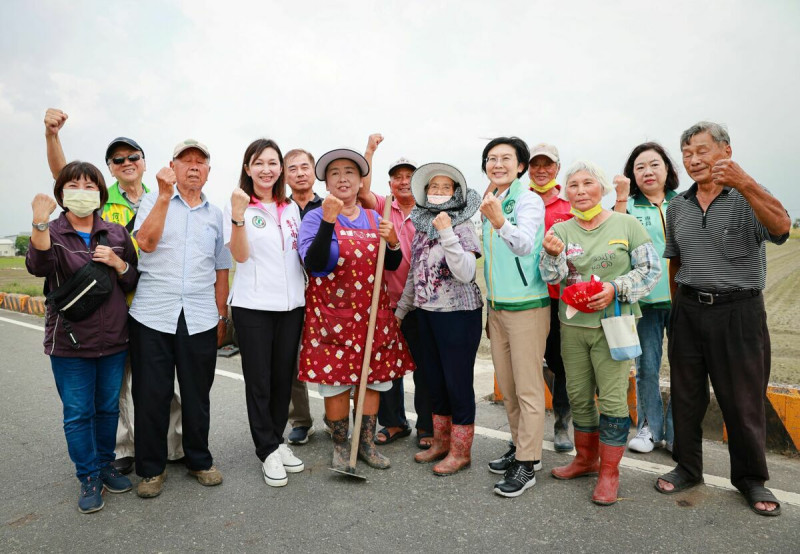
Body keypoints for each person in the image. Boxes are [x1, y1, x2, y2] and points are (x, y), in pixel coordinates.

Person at [656, 122, 790, 517]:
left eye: (702, 150)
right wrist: (677, 307)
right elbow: (675, 261)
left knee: (743, 401)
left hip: (739, 312)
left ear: (725, 151)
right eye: (687, 153)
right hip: (690, 309)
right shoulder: (677, 205)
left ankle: (750, 479)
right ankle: (688, 467)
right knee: (686, 395)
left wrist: (744, 181)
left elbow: (781, 226)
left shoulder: (749, 194)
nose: (694, 160)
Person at [43, 108, 184, 475]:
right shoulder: (102, 204)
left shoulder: (164, 196)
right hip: (116, 308)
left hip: (156, 305)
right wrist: (52, 136)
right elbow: (64, 177)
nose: (126, 163)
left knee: (162, 384)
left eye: (132, 157)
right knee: (115, 389)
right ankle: (121, 450)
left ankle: (172, 445)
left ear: (143, 161)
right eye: (117, 159)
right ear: (110, 167)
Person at [539, 160, 661, 506]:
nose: (580, 191)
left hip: (614, 325)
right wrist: (550, 256)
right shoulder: (561, 230)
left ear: (603, 188)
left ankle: (610, 471)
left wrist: (615, 288)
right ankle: (585, 459)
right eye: (573, 185)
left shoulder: (627, 224)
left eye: (587, 183)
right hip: (573, 326)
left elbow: (649, 270)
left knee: (611, 399)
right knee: (577, 396)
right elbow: (552, 277)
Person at [26, 161, 139, 513]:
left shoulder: (116, 233)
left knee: (107, 409)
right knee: (78, 413)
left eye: (90, 186)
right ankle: (88, 475)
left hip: (115, 340)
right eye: (74, 185)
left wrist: (118, 264)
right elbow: (39, 266)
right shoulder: (55, 232)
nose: (83, 192)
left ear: (101, 194)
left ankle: (105, 465)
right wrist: (39, 222)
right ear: (62, 193)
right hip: (70, 342)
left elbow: (133, 279)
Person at [298, 148, 415, 471]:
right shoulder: (313, 216)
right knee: (336, 383)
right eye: (334, 173)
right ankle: (340, 446)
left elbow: (389, 265)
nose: (343, 178)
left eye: (350, 171)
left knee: (372, 381)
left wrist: (391, 243)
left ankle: (364, 445)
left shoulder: (374, 217)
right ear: (326, 181)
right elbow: (315, 262)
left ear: (360, 179)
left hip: (371, 316)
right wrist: (328, 222)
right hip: (331, 317)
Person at [129, 139, 232, 499]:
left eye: (200, 162)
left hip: (201, 317)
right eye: (185, 161)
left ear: (208, 171)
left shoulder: (214, 215)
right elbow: (146, 242)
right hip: (153, 314)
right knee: (151, 394)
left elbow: (222, 266)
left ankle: (199, 460)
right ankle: (151, 469)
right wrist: (161, 195)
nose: (193, 167)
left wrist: (221, 313)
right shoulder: (151, 200)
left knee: (196, 394)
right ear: (171, 165)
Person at [225, 139, 306, 487]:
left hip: (291, 307)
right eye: (259, 163)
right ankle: (266, 449)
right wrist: (238, 217)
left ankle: (277, 439)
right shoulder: (242, 206)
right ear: (247, 168)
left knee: (282, 378)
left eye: (273, 163)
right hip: (253, 306)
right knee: (259, 381)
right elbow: (240, 257)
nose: (267, 169)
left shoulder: (291, 208)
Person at [395, 163, 483, 475]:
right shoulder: (421, 227)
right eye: (434, 187)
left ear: (456, 193)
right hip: (426, 315)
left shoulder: (463, 227)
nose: (439, 192)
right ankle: (441, 442)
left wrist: (447, 232)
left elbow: (466, 273)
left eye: (446, 187)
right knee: (435, 380)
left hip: (459, 315)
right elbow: (414, 276)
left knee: (457, 383)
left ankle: (461, 451)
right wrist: (401, 311)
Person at [479, 136, 550, 498]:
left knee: (527, 388)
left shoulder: (527, 199)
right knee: (508, 388)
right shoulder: (490, 198)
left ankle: (527, 463)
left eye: (506, 158)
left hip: (527, 307)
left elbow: (523, 243)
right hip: (499, 308)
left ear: (520, 166)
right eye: (492, 158)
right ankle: (523, 448)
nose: (498, 164)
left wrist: (499, 221)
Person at [359, 134, 432, 449]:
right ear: (389, 184)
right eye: (397, 177)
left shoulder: (428, 211)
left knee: (425, 366)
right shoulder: (382, 206)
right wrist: (370, 152)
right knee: (387, 364)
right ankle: (394, 423)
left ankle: (427, 426)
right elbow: (362, 191)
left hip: (422, 303)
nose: (403, 182)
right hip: (387, 302)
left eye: (409, 177)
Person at [613, 142, 680, 454]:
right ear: (631, 175)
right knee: (647, 368)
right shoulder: (629, 207)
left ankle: (678, 433)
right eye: (640, 167)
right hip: (645, 303)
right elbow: (613, 237)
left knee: (685, 369)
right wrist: (621, 198)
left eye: (654, 164)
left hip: (684, 301)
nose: (648, 172)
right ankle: (649, 428)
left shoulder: (684, 204)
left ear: (667, 169)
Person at [527, 142, 575, 453]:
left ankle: (562, 422)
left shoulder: (569, 205)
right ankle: (525, 430)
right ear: (528, 168)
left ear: (557, 168)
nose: (541, 170)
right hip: (527, 296)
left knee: (560, 363)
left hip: (559, 296)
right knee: (529, 362)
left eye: (548, 165)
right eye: (536, 165)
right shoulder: (520, 203)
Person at [283, 148, 322, 445]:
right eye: (292, 168)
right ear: (285, 175)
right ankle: (300, 420)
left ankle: (339, 419)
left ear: (313, 170)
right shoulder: (279, 208)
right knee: (291, 360)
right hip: (290, 293)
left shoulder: (328, 205)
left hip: (327, 294)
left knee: (335, 353)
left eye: (304, 166)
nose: (299, 173)